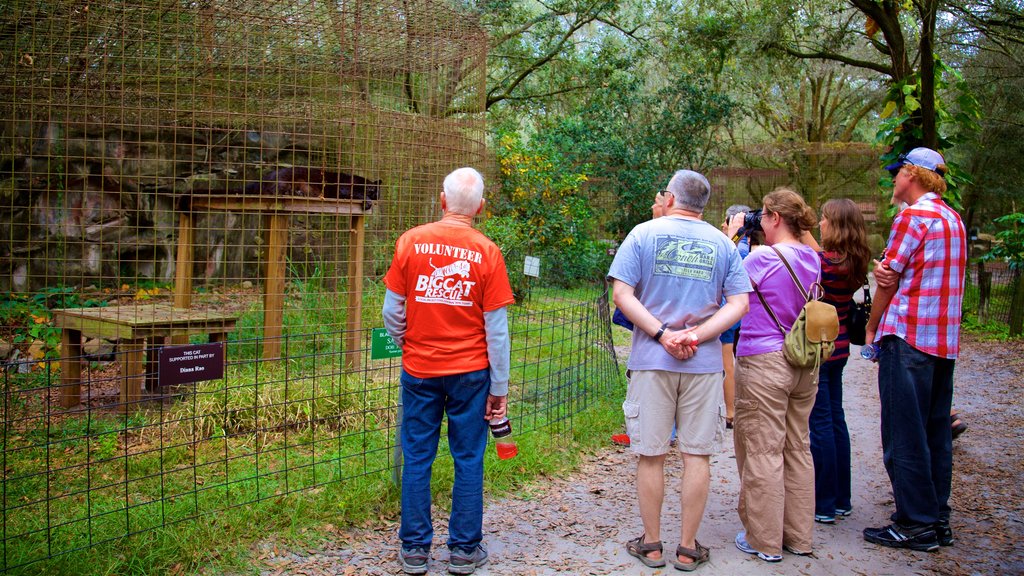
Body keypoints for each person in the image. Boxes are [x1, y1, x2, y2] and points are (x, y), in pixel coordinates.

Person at [607, 170, 751, 571]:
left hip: (653, 361)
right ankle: (688, 548)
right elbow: (739, 303)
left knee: (651, 455)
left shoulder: (642, 234)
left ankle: (652, 545)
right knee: (697, 455)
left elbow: (621, 293)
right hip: (704, 365)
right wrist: (698, 335)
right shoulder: (723, 244)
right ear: (703, 205)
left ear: (670, 197)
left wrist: (663, 334)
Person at [382, 167, 514, 575]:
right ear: (481, 208)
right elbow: (497, 330)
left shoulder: (409, 242)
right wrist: (500, 385)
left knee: (418, 455)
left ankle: (415, 550)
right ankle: (463, 551)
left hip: (419, 369)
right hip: (472, 373)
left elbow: (391, 311)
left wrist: (409, 343)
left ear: (442, 200)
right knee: (469, 457)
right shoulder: (488, 252)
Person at [862, 147, 966, 552]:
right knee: (935, 431)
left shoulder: (913, 217)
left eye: (896, 174)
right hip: (942, 343)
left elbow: (888, 280)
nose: (892, 181)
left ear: (913, 175)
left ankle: (914, 523)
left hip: (908, 339)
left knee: (903, 433)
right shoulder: (952, 219)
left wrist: (872, 328)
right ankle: (937, 517)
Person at [732, 188, 820, 562]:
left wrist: (734, 232)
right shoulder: (813, 258)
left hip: (765, 361)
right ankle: (799, 537)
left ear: (774, 218)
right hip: (804, 362)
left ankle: (764, 540)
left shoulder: (762, 258)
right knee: (797, 448)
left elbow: (725, 287)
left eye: (764, 216)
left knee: (763, 450)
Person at [800, 199, 872, 524]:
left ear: (836, 225)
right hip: (841, 348)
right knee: (837, 420)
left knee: (821, 425)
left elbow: (814, 260)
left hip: (820, 347)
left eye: (825, 219)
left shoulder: (821, 264)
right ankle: (842, 498)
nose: (820, 224)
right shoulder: (854, 261)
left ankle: (824, 503)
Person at [719, 204, 752, 428]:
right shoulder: (752, 247)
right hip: (742, 315)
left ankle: (730, 411)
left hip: (726, 311)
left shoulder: (735, 248)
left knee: (726, 364)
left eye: (726, 221)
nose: (722, 225)